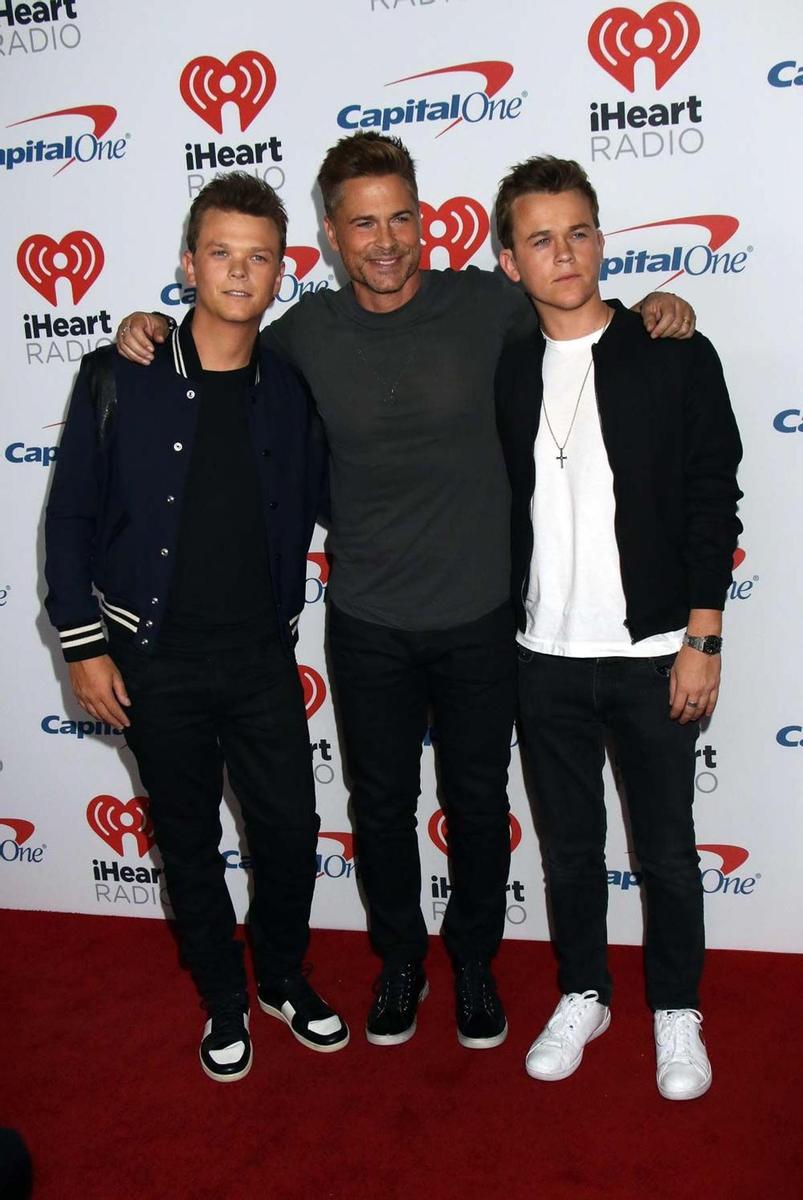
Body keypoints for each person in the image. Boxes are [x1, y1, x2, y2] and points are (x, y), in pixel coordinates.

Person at [115, 132, 696, 1051]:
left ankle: (470, 966)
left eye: (399, 217)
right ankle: (399, 964)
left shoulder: (485, 304)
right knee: (379, 808)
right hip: (367, 622)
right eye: (361, 224)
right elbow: (217, 346)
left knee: (475, 802)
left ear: (422, 221)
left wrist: (654, 306)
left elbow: (575, 308)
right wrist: (141, 329)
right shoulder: (303, 331)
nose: (383, 240)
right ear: (331, 238)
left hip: (481, 619)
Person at [44, 173, 348, 1083]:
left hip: (260, 657)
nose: (239, 271)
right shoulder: (117, 376)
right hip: (149, 658)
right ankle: (223, 1000)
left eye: (259, 256)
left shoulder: (293, 387)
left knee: (291, 832)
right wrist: (82, 645)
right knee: (185, 841)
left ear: (282, 270)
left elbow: (342, 492)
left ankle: (284, 977)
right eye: (221, 252)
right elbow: (68, 522)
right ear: (188, 263)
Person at [494, 156, 742, 1099]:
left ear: (602, 238)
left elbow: (709, 500)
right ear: (509, 262)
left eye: (579, 233)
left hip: (650, 658)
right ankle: (584, 992)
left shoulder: (670, 349)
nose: (565, 255)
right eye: (541, 239)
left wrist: (701, 637)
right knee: (566, 851)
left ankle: (675, 1009)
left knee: (668, 852)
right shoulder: (509, 365)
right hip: (541, 658)